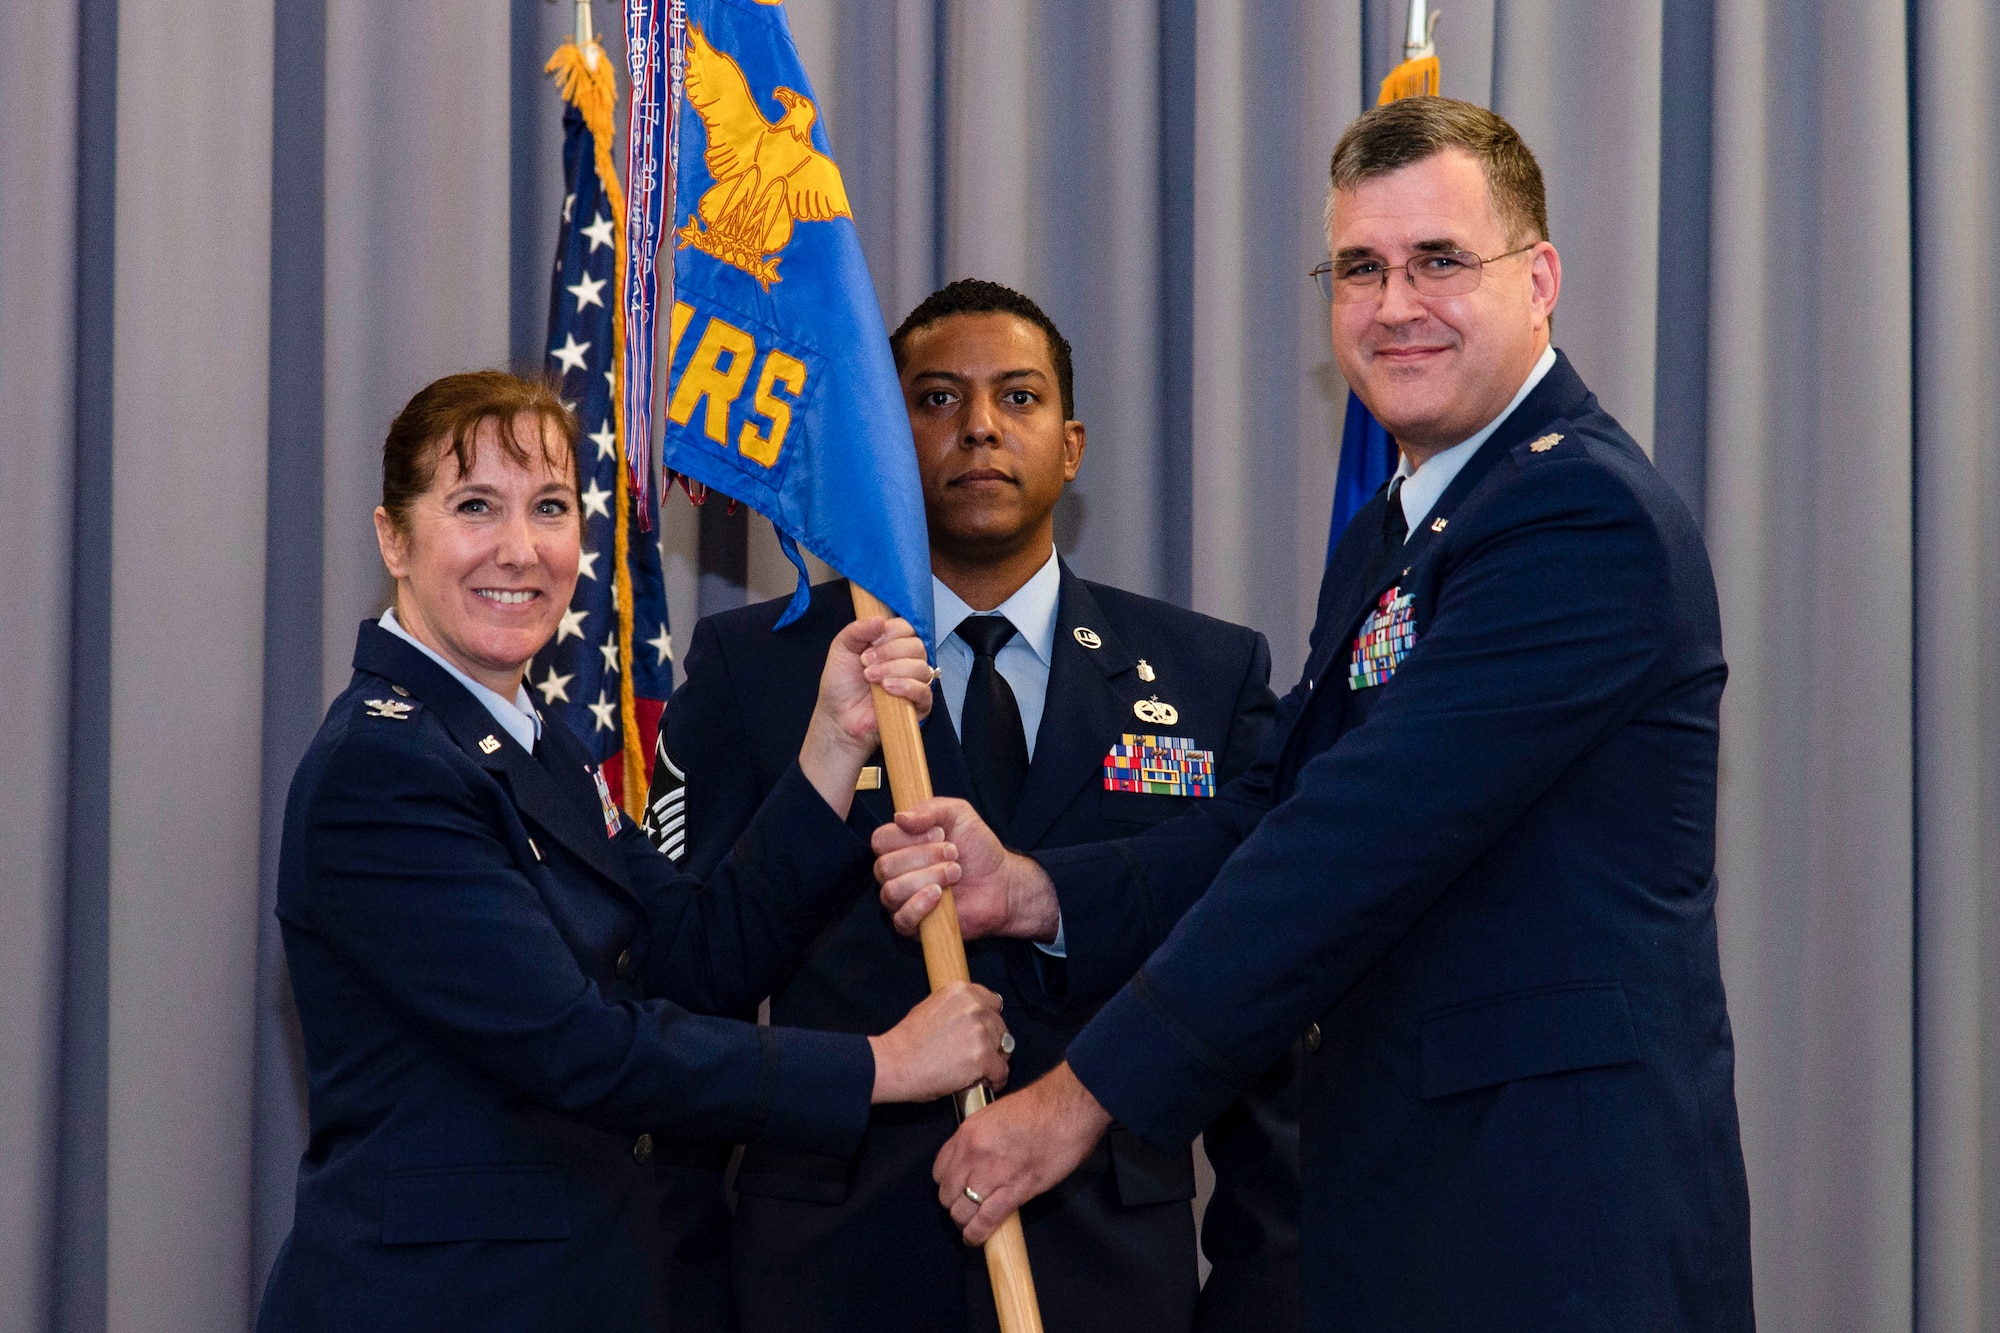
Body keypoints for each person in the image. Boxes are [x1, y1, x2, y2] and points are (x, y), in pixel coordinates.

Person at [874, 99, 1755, 1330]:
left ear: (1538, 277)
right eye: (1360, 267)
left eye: (1439, 260)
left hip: (1551, 1222)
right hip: (1414, 1212)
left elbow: (1347, 845)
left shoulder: (1577, 520)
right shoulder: (1402, 530)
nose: (1395, 303)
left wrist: (1079, 1096)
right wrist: (1035, 890)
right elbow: (1275, 812)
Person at [256, 370, 1013, 1333]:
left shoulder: (536, 746)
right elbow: (582, 1049)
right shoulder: (385, 768)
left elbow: (696, 958)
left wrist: (831, 742)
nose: (520, 549)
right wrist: (882, 1065)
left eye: (552, 507)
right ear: (394, 538)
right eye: (475, 505)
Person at [642, 280, 1298, 1333]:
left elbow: (1258, 1002)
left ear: (1072, 445)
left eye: (1019, 398)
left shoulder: (1209, 674)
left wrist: (1261, 1297)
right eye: (937, 399)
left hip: (1110, 1279)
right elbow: (688, 991)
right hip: (825, 1277)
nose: (980, 427)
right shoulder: (757, 671)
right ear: (884, 445)